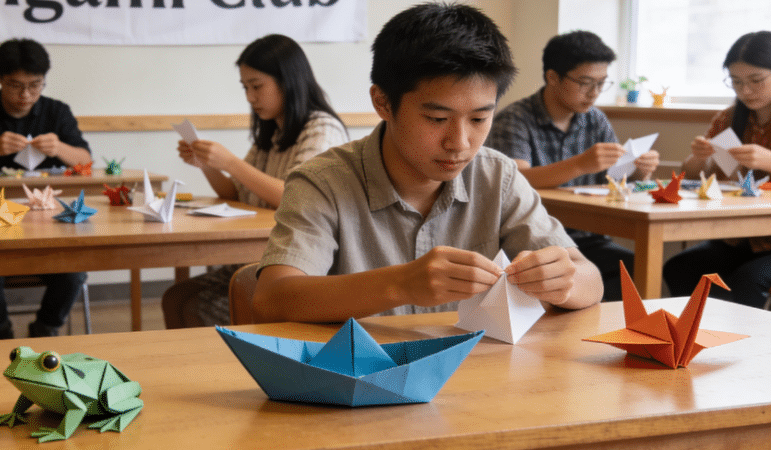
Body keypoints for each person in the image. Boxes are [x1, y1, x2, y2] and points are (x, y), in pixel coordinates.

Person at [251, 2, 604, 324]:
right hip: (360, 379)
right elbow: (271, 299)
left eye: (480, 119)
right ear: (383, 103)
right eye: (437, 119)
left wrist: (563, 282)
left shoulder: (498, 175)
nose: (460, 143)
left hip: (481, 377)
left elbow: (590, 280)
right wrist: (402, 283)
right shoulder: (322, 182)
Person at [161, 34, 348, 328]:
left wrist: (231, 162)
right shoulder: (273, 132)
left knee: (195, 307)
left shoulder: (321, 129)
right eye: (245, 87)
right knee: (175, 298)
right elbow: (236, 192)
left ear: (287, 81)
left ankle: (217, 369)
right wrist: (207, 165)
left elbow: (298, 197)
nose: (250, 97)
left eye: (257, 86)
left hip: (293, 265)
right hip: (257, 257)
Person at [485, 30, 660, 301]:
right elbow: (515, 180)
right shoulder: (515, 119)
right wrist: (580, 164)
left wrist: (639, 170)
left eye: (602, 84)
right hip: (533, 242)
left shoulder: (595, 120)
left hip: (590, 239)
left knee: (638, 268)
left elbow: (614, 179)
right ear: (553, 77)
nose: (594, 93)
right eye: (586, 83)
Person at [0, 38, 90, 339]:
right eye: (15, 85)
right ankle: (0, 333)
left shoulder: (57, 112)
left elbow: (85, 161)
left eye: (35, 85)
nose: (26, 95)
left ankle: (45, 329)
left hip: (48, 224)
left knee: (75, 271)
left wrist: (59, 147)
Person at [665, 31, 771, 308]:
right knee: (681, 267)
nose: (745, 91)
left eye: (756, 81)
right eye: (735, 82)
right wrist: (699, 157)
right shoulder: (729, 117)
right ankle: (708, 334)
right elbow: (689, 175)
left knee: (749, 278)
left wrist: (767, 160)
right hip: (737, 236)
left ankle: (749, 344)